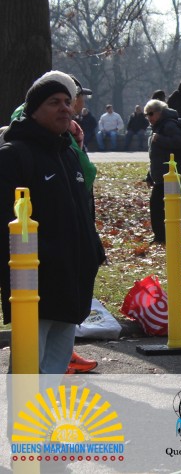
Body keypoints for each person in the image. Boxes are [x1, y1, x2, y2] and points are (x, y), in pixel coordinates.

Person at [0, 72, 104, 374]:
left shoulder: (69, 154)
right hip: (34, 287)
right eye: (54, 102)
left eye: (67, 102)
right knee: (28, 373)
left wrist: (93, 254)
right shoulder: (13, 156)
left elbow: (81, 214)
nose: (64, 108)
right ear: (33, 110)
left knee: (53, 375)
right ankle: (22, 409)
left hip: (72, 283)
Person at [144, 98, 181, 246]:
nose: (149, 117)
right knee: (156, 206)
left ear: (159, 112)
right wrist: (150, 175)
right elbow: (156, 156)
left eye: (151, 113)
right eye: (146, 115)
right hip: (162, 176)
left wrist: (160, 139)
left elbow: (178, 142)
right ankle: (160, 237)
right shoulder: (158, 126)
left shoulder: (169, 125)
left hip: (173, 176)